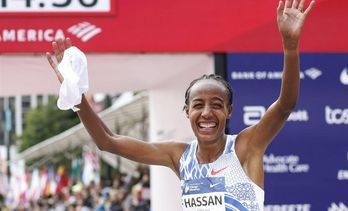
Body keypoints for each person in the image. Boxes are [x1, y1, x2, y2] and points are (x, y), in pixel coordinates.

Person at [46, 0, 314, 210]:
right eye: (198, 105)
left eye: (216, 105)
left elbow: (284, 106)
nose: (207, 112)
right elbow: (108, 141)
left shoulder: (246, 146)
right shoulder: (179, 156)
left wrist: (290, 48)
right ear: (187, 112)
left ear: (229, 111)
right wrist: (76, 95)